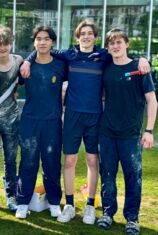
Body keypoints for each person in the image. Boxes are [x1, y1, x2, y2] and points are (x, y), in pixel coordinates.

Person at [20, 19, 151, 225]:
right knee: (70, 161)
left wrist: (142, 59)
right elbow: (43, 49)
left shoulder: (104, 56)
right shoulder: (68, 55)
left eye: (90, 33)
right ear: (77, 36)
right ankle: (70, 205)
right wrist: (27, 61)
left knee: (92, 161)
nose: (86, 36)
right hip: (72, 115)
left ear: (95, 37)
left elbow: (122, 56)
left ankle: (90, 206)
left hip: (95, 116)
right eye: (83, 33)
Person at [97, 28, 157, 235]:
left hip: (131, 135)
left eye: (119, 42)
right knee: (107, 175)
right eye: (111, 43)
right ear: (108, 47)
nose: (115, 46)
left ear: (126, 44)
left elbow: (152, 100)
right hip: (107, 133)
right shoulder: (106, 67)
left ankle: (132, 218)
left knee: (133, 177)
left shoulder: (139, 68)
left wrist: (148, 130)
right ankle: (107, 213)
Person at [15, 26, 66, 219]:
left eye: (46, 39)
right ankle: (22, 202)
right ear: (34, 42)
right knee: (28, 163)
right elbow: (12, 85)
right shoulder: (25, 67)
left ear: (52, 42)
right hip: (29, 121)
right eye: (38, 39)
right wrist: (27, 60)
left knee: (52, 163)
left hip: (52, 122)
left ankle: (54, 202)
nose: (42, 42)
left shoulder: (61, 65)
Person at [0, 26, 23, 211]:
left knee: (10, 159)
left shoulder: (18, 61)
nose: (2, 47)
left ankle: (11, 196)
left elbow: (25, 71)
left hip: (11, 120)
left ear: (11, 43)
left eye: (6, 44)